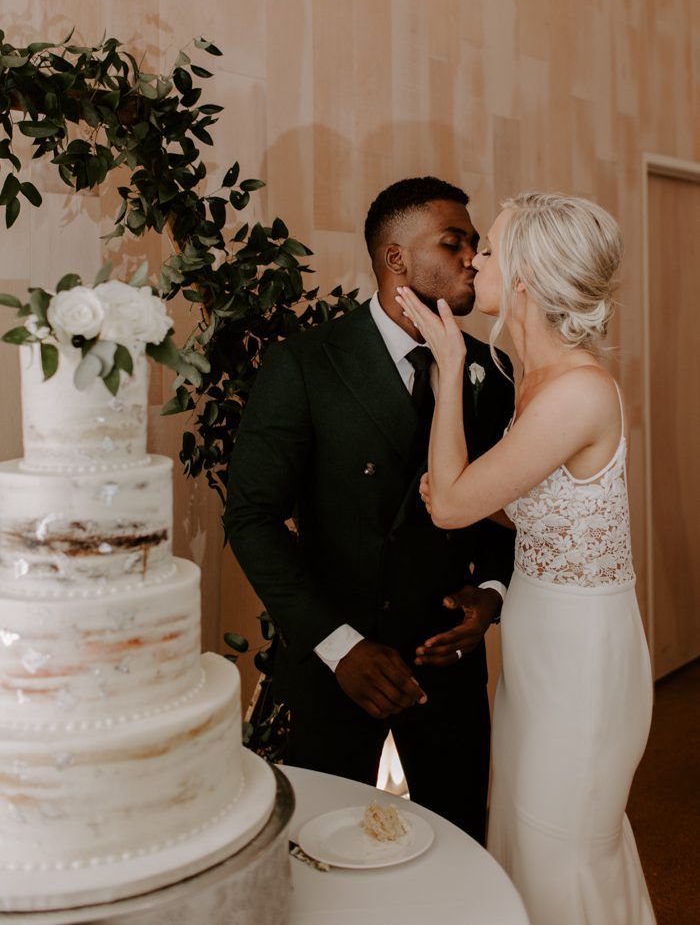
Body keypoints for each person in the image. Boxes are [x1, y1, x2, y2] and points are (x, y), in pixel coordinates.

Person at [224, 176, 515, 842]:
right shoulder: (305, 364)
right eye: (455, 241)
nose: (473, 257)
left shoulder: (491, 372)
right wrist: (339, 645)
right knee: (329, 852)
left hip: (448, 669)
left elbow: (509, 511)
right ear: (396, 260)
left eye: (475, 244)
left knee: (458, 840)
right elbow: (252, 517)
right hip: (340, 667)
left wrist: (492, 596)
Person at [396, 191, 656, 924]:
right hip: (537, 639)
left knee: (563, 851)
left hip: (584, 656)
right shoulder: (529, 377)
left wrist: (449, 370)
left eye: (488, 249)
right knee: (521, 829)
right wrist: (477, 487)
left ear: (523, 280)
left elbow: (449, 505)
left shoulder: (578, 390)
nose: (472, 258)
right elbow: (523, 506)